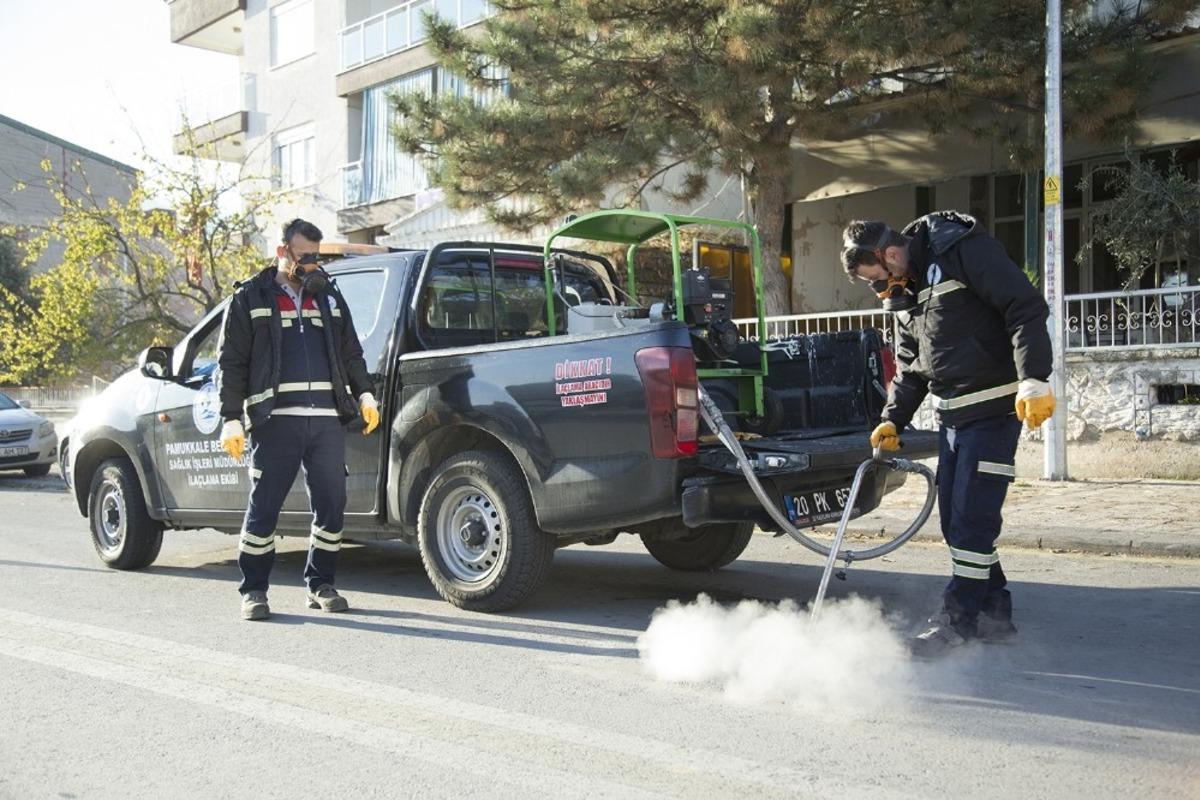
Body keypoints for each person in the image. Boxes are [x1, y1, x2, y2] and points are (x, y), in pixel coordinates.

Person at [840, 211, 1056, 657]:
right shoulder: (908, 292)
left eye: (875, 277)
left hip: (993, 410)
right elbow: (911, 366)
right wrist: (892, 418)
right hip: (953, 418)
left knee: (971, 521)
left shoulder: (960, 250)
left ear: (890, 254)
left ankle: (959, 623)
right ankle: (994, 611)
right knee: (955, 523)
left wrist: (1034, 377)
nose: (877, 288)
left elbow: (1024, 305)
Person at [217, 218, 380, 621]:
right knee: (265, 507)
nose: (312, 265)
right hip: (276, 421)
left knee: (332, 505)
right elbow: (231, 363)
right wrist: (231, 417)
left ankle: (321, 584)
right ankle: (254, 591)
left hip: (326, 420)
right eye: (304, 256)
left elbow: (351, 351)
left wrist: (365, 393)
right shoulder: (250, 297)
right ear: (282, 252)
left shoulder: (329, 297)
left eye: (316, 257)